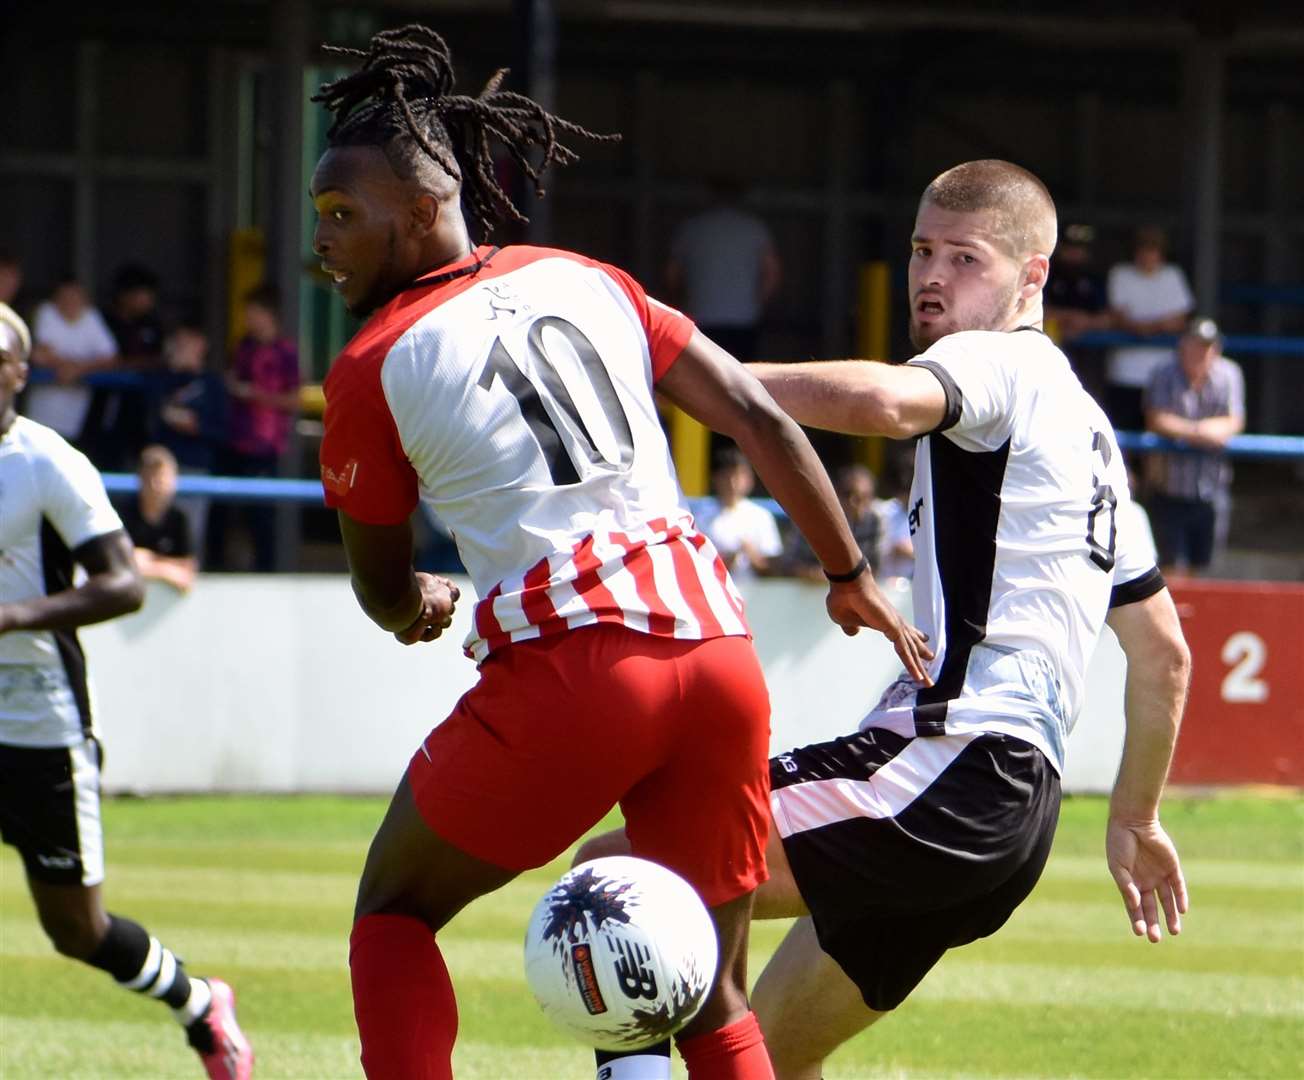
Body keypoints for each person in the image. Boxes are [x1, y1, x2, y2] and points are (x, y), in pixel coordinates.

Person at [308, 25, 929, 1080]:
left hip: (577, 670)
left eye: (339, 216)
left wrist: (411, 598)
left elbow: (379, 585)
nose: (321, 240)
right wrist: (847, 574)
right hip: (717, 659)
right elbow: (758, 417)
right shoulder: (586, 275)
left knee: (394, 913)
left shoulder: (372, 363)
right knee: (706, 989)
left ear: (422, 211)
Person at [580, 160, 1192, 1080]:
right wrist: (1134, 817)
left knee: (617, 880)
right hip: (1015, 817)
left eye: (965, 258)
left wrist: (691, 371)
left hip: (950, 766)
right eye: (920, 250)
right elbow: (1165, 657)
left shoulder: (996, 361)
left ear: (1033, 278)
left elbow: (879, 403)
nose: (932, 276)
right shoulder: (1094, 436)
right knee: (768, 1055)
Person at [0, 303, 251, 1079]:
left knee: (77, 930)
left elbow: (121, 585)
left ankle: (200, 1004)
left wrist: (12, 617)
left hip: (41, 719)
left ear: (21, 370)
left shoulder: (47, 462)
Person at [208, 285, 300, 572]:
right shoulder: (244, 346)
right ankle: (215, 568)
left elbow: (294, 399)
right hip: (233, 441)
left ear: (269, 315)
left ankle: (267, 574)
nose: (248, 319)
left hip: (264, 446)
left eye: (253, 313)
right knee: (220, 510)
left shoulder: (286, 352)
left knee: (261, 516)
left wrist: (254, 394)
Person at [1144, 316, 1245, 575]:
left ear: (1217, 349)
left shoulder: (1229, 373)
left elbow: (1234, 421)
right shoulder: (1163, 371)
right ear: (1182, 345)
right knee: (1167, 569)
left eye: (1208, 346)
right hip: (1169, 488)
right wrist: (1198, 431)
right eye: (1195, 344)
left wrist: (1188, 430)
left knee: (1204, 569)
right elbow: (1157, 418)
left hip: (1212, 488)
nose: (1201, 352)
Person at [666, 176, 781, 363]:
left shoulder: (691, 228)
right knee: (745, 373)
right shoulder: (755, 228)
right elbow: (772, 272)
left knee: (703, 377)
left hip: (700, 315)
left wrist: (682, 303)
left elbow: (673, 273)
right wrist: (756, 305)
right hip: (744, 318)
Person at [1104, 225, 1193, 432]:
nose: (1148, 253)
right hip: (1124, 372)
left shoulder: (1173, 275)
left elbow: (1181, 320)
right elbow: (1118, 317)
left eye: (1153, 248)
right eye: (1143, 247)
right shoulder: (1121, 273)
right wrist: (1158, 325)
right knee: (1122, 439)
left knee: (1159, 442)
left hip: (1165, 372)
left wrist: (1147, 326)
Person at [151, 320, 227, 558]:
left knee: (192, 535)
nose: (181, 348)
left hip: (195, 466)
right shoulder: (162, 379)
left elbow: (222, 430)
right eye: (178, 343)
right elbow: (150, 419)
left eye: (187, 343)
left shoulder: (212, 383)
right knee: (157, 532)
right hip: (159, 469)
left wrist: (195, 427)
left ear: (201, 346)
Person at [88, 264, 166, 470]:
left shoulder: (153, 325)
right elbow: (103, 360)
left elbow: (160, 360)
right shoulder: (102, 321)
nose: (148, 300)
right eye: (143, 294)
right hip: (105, 406)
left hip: (141, 408)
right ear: (125, 294)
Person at [25, 277, 119, 446]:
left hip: (76, 416)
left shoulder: (91, 317)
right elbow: (40, 354)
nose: (71, 301)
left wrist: (79, 369)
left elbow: (111, 357)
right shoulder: (46, 312)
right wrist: (68, 366)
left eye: (76, 297)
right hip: (41, 414)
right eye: (65, 296)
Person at [782, 464, 881, 582]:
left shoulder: (875, 523)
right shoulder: (810, 520)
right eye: (847, 494)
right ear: (835, 494)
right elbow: (788, 565)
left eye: (864, 496)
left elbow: (875, 569)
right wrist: (814, 574)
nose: (854, 502)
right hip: (808, 591)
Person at [698, 446, 784, 581]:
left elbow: (772, 567)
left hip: (756, 594)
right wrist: (724, 563)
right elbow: (695, 563)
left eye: (738, 475)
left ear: (749, 478)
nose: (732, 482)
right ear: (715, 478)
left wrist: (753, 556)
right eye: (727, 476)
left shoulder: (761, 516)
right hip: (715, 592)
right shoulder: (701, 516)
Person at [121, 445, 198, 593]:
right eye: (151, 478)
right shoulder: (124, 515)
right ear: (140, 479)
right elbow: (123, 563)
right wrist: (167, 571)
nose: (156, 486)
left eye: (162, 479)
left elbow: (188, 568)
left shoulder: (180, 518)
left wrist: (149, 561)